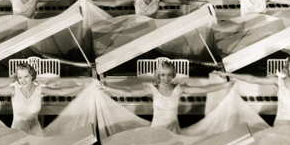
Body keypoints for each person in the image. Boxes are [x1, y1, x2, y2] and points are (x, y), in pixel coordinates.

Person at [99, 59, 233, 133]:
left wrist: (225, 86)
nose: (166, 78)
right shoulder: (152, 89)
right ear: (158, 75)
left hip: (174, 131)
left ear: (173, 75)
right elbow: (129, 93)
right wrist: (107, 88)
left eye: (169, 75)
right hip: (157, 131)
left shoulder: (179, 89)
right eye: (163, 75)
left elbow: (204, 89)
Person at [0, 62, 70, 134]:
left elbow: (61, 92)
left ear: (32, 76)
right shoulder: (13, 90)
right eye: (20, 77)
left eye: (26, 76)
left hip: (35, 132)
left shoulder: (39, 89)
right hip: (17, 133)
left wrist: (84, 86)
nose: (23, 80)